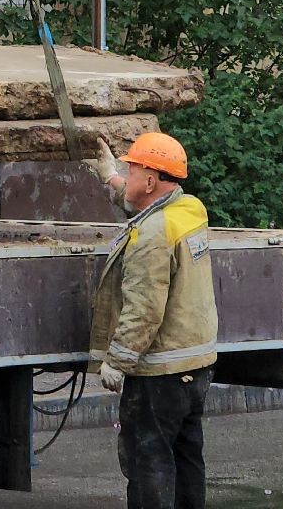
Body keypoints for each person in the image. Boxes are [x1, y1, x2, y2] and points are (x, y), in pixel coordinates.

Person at [89, 131, 219, 509]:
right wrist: (112, 179)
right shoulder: (190, 210)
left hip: (160, 373)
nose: (126, 175)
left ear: (149, 181)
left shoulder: (150, 237)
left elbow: (144, 309)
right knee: (186, 458)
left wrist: (117, 361)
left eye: (131, 171)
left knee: (149, 462)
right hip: (195, 365)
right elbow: (146, 207)